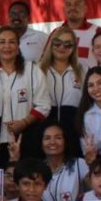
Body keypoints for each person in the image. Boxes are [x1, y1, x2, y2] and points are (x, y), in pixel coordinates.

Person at [0, 25, 49, 166]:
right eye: (2, 42)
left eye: (12, 42)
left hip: (27, 137)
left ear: (18, 47)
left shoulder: (32, 70)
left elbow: (44, 105)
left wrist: (23, 123)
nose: (7, 46)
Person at [39, 26, 85, 157]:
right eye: (57, 43)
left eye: (67, 44)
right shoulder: (38, 70)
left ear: (74, 48)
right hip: (44, 133)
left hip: (73, 132)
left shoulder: (82, 70)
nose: (62, 47)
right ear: (51, 44)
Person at [60, 0, 101, 68]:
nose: (72, 7)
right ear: (64, 9)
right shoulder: (56, 33)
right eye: (68, 4)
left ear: (85, 8)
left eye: (77, 4)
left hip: (89, 79)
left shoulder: (97, 32)